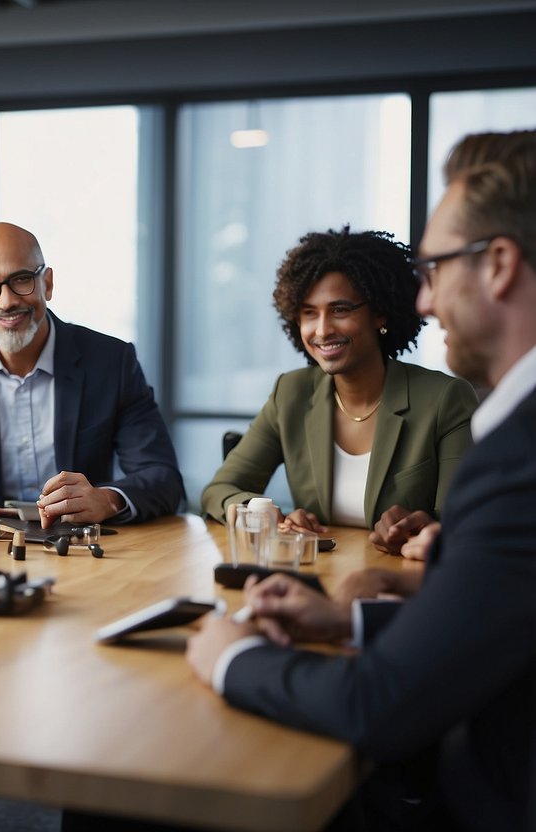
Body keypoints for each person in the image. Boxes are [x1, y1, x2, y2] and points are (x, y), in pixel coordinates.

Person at [187, 130, 536, 832]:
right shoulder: (294, 395)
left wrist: (234, 657)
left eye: (436, 268)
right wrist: (345, 612)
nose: (428, 302)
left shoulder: (499, 442)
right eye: (307, 314)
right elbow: (495, 597)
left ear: (498, 265)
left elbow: (382, 700)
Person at [0, 222, 183, 527]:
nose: (7, 301)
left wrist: (107, 498)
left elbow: (162, 477)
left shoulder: (111, 362)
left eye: (21, 280)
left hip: (84, 548)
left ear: (47, 283)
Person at [201, 228, 477, 554]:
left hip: (404, 583)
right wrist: (258, 512)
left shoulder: (445, 399)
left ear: (380, 314)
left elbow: (465, 524)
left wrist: (420, 526)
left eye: (340, 309)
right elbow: (219, 489)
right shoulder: (291, 393)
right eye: (308, 313)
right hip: (313, 576)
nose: (321, 330)